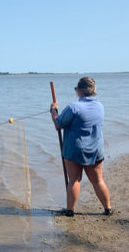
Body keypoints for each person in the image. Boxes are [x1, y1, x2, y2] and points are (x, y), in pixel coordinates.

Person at [50, 77, 112, 217]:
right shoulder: (100, 106)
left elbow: (58, 124)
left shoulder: (74, 107)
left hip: (75, 151)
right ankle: (108, 208)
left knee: (74, 179)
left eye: (76, 89)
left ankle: (70, 210)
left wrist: (53, 111)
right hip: (96, 149)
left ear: (80, 91)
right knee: (98, 180)